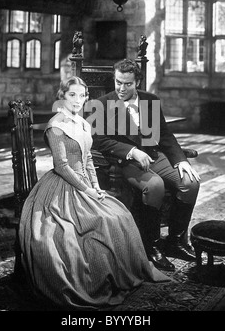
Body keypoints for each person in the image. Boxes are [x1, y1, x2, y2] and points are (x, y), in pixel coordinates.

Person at [19, 76, 170, 311]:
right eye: (72, 95)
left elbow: (88, 158)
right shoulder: (55, 127)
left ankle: (122, 274)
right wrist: (87, 189)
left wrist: (97, 187)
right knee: (83, 228)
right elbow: (62, 167)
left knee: (119, 215)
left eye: (82, 95)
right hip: (62, 187)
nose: (77, 100)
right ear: (62, 96)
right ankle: (91, 282)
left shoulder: (82, 122)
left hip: (86, 183)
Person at [92, 59, 200, 272]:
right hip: (126, 162)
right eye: (118, 82)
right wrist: (132, 151)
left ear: (138, 82)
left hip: (154, 155)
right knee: (156, 186)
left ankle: (175, 242)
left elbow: (166, 136)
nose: (122, 88)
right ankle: (152, 246)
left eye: (128, 84)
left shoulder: (151, 100)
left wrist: (180, 160)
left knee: (191, 182)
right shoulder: (102, 104)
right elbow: (100, 140)